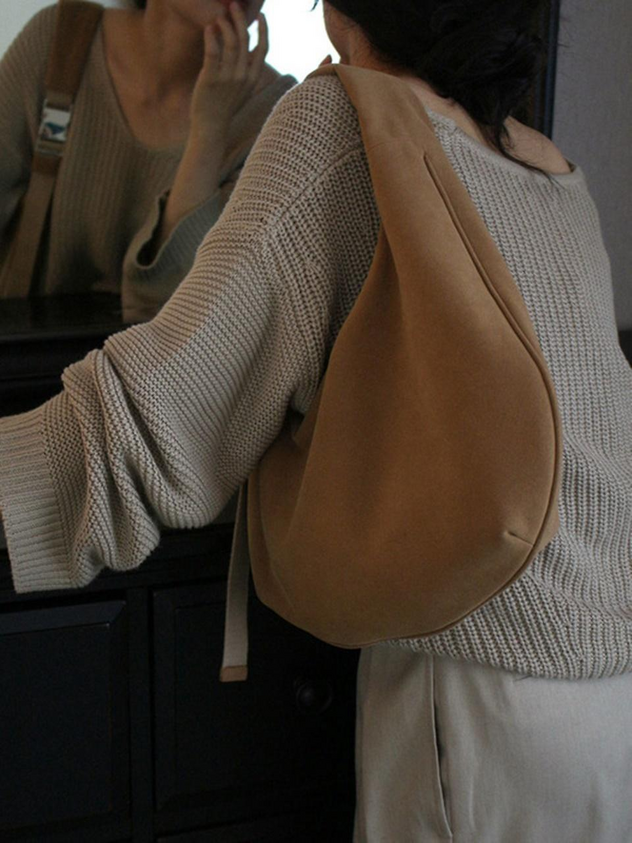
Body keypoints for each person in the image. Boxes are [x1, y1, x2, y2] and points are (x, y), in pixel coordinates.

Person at [1, 1, 632, 840]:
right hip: (608, 698)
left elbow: (158, 419)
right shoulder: (543, 160)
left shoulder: (344, 120)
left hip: (476, 706)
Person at [0, 0, 295, 320]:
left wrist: (209, 132)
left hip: (161, 352)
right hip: (26, 347)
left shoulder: (278, 117)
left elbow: (174, 313)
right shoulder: (64, 43)